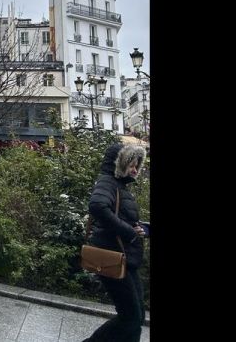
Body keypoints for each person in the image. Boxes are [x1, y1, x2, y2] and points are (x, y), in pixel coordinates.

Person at [83, 143, 148, 342]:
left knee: (136, 316)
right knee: (130, 317)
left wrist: (138, 228)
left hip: (126, 258)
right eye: (131, 165)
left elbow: (119, 215)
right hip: (114, 258)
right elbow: (97, 206)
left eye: (137, 165)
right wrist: (129, 232)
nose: (135, 170)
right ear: (118, 164)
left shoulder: (119, 185)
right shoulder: (108, 182)